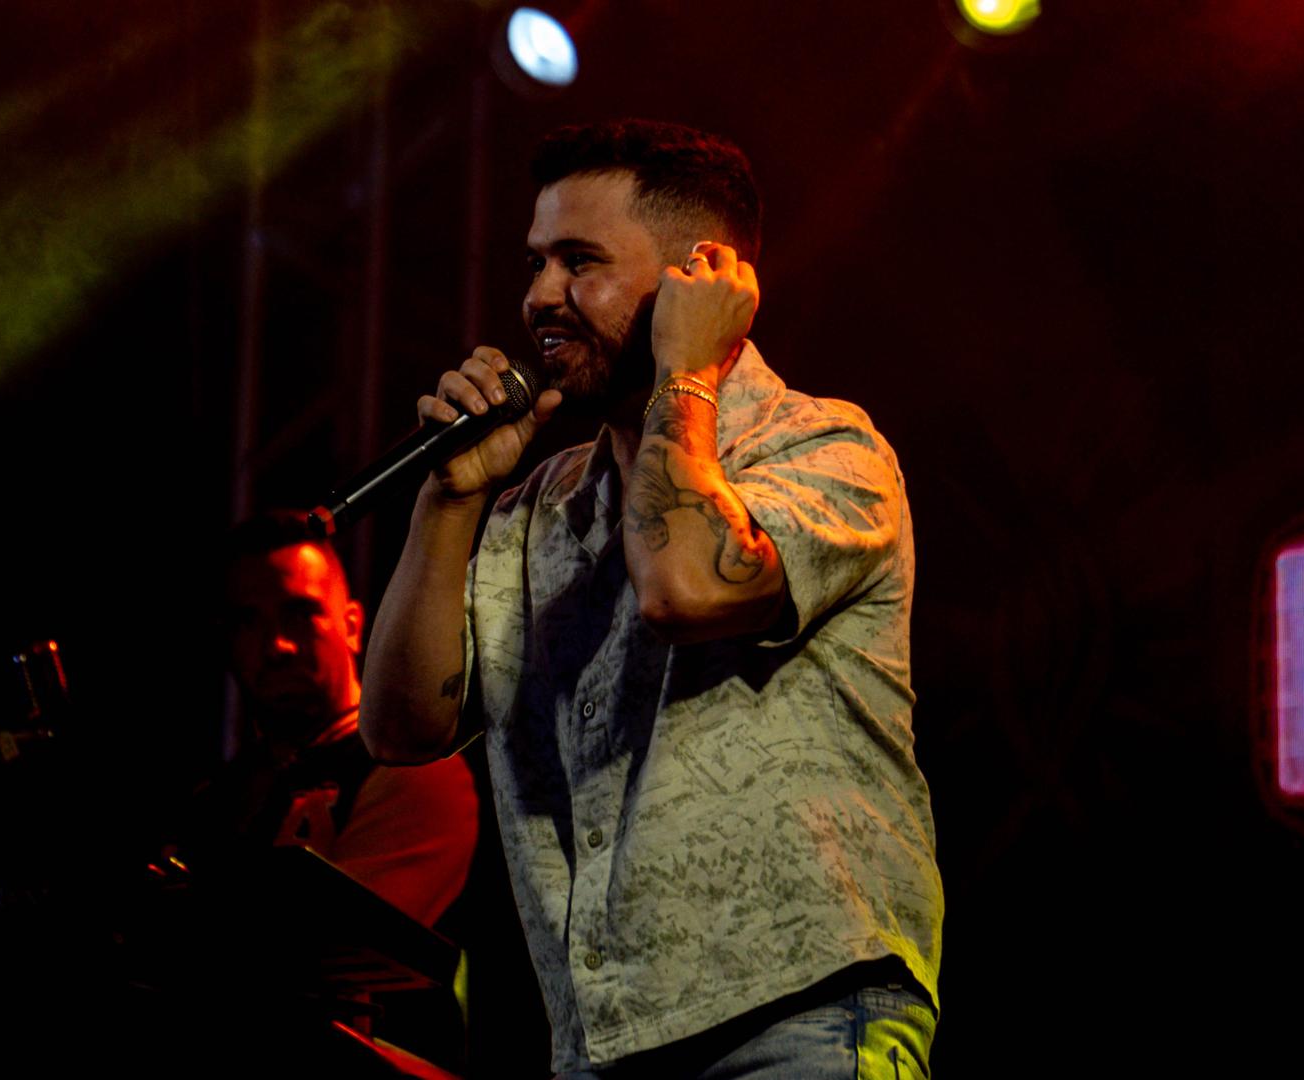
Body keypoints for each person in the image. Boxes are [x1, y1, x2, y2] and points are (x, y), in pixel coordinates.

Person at [361, 119, 944, 1076]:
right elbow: (399, 728)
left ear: (697, 279)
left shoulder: (826, 449)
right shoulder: (537, 511)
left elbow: (683, 588)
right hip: (603, 1047)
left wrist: (686, 368)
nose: (539, 296)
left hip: (798, 1016)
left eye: (579, 262)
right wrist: (448, 500)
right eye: (536, 263)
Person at [191, 510, 478, 929]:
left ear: (352, 626)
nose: (277, 645)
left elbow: (339, 942)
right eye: (248, 622)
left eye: (299, 613)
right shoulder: (223, 791)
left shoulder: (411, 768)